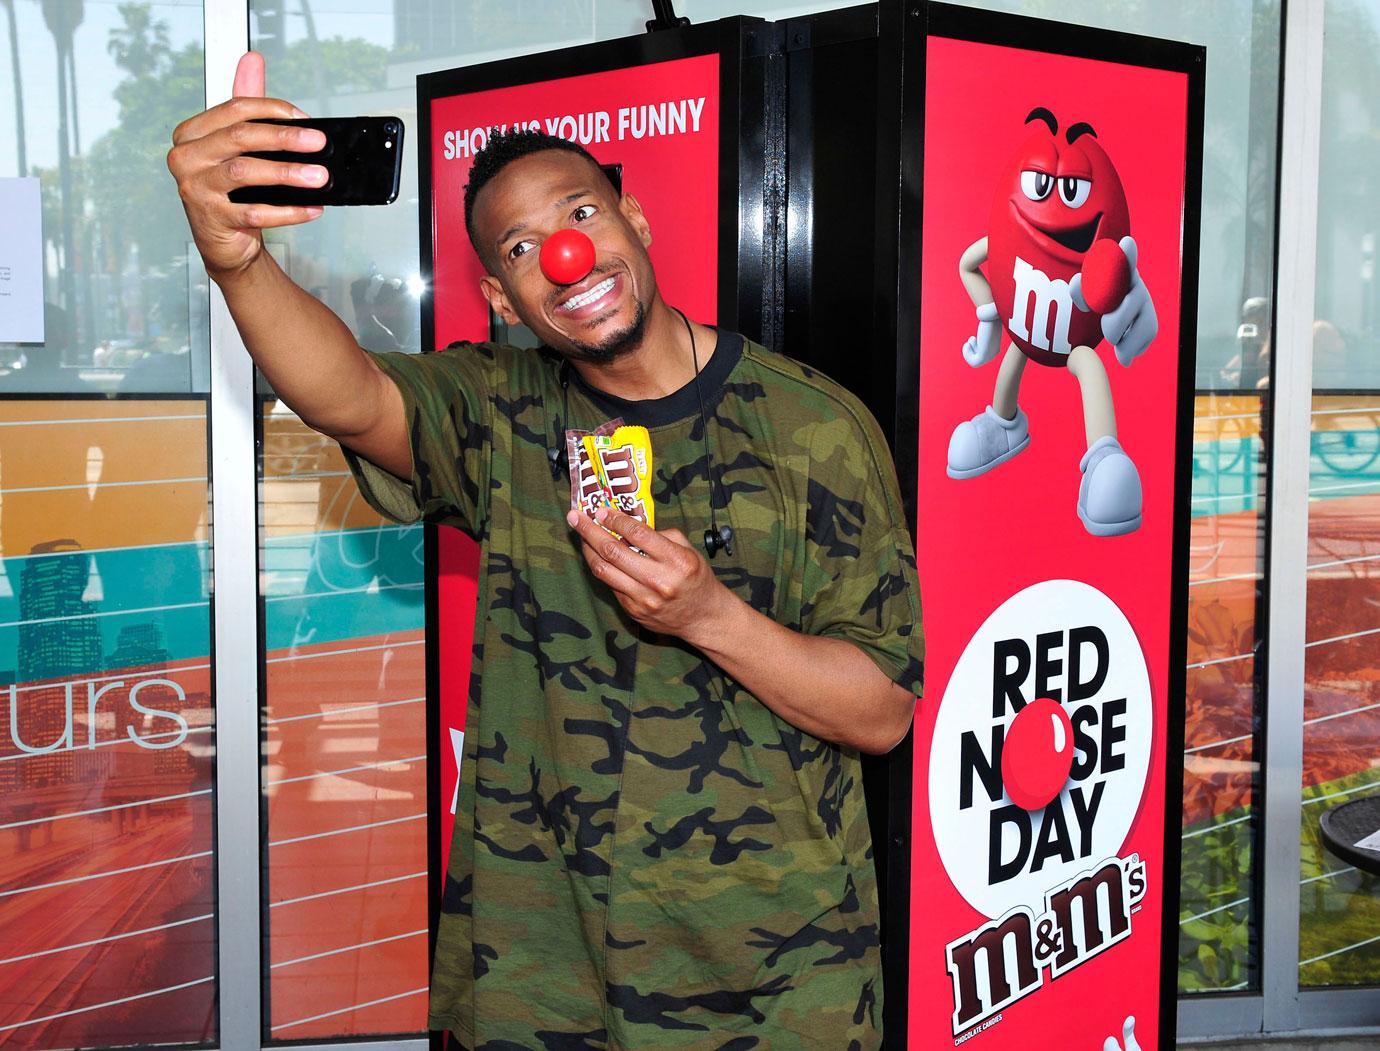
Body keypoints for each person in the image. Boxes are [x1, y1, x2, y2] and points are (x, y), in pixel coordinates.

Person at [168, 51, 923, 1049]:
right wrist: (237, 259)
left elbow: (879, 712)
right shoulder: (501, 410)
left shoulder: (816, 426)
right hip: (540, 984)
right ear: (501, 297)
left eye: (579, 215)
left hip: (776, 991)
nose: (563, 257)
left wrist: (709, 617)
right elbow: (344, 393)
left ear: (635, 224)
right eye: (522, 249)